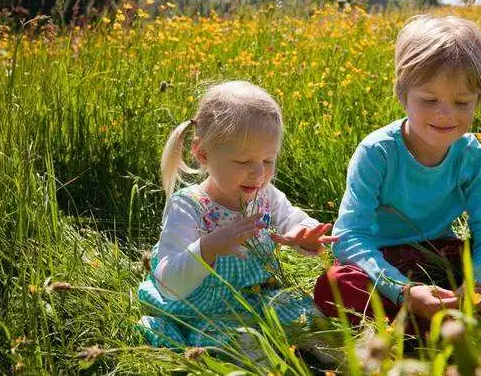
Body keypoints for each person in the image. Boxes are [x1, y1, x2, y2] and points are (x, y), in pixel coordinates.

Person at [313, 15, 481, 345]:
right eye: (429, 100)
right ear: (402, 94)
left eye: (462, 102)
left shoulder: (472, 155)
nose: (445, 115)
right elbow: (349, 237)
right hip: (388, 263)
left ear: (479, 100)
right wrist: (405, 291)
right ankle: (434, 337)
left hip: (444, 260)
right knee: (336, 282)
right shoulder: (378, 153)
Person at [137, 80, 338, 354]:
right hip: (209, 312)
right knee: (246, 349)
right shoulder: (190, 206)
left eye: (268, 160)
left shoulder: (265, 195)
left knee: (316, 326)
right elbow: (169, 283)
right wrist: (208, 247)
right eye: (243, 162)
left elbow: (293, 218)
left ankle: (351, 365)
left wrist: (303, 235)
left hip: (260, 296)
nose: (258, 174)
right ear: (202, 153)